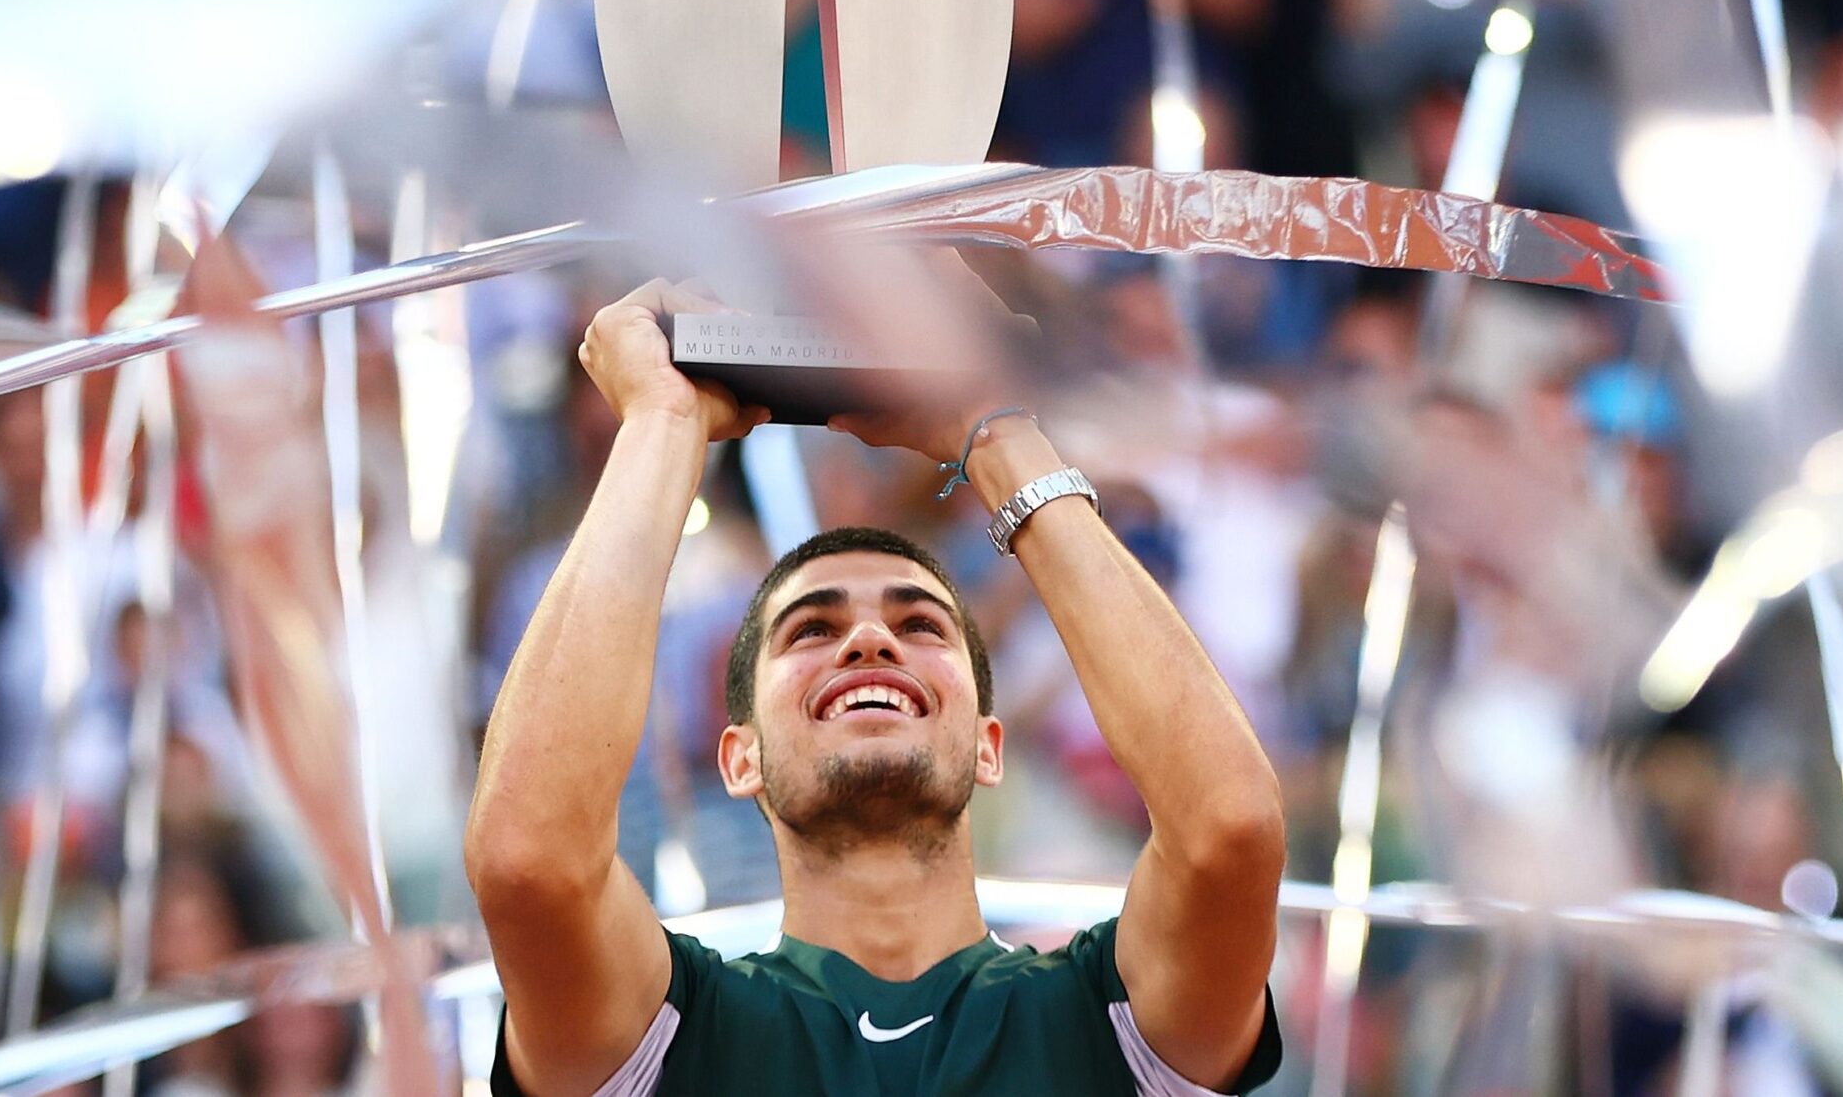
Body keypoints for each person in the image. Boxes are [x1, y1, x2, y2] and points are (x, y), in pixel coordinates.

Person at [466, 279, 1287, 1095]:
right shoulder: (678, 1026)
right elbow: (528, 858)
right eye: (811, 630)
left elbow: (1232, 828)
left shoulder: (1100, 1014)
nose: (868, 639)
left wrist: (997, 430)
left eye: (923, 625)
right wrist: (661, 424)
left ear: (989, 743)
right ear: (739, 754)